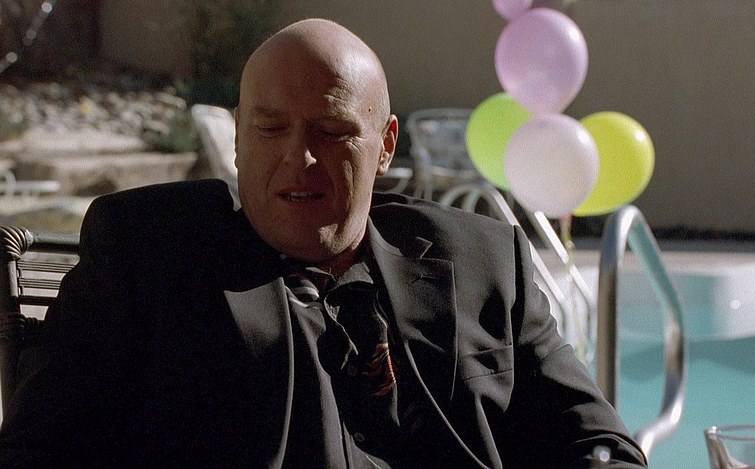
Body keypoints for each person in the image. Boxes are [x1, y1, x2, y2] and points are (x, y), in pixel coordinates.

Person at [0, 18, 647, 468]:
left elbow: (598, 446)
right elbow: (42, 452)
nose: (298, 159)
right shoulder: (150, 257)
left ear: (385, 146)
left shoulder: (481, 261)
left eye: (331, 132)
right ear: (237, 138)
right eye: (270, 128)